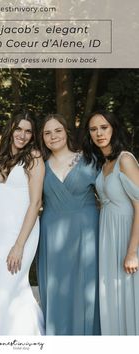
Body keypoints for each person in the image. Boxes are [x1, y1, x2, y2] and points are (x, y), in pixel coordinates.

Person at [0, 112, 45, 335]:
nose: (23, 135)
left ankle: (26, 340)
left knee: (14, 287)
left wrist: (18, 245)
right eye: (19, 129)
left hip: (20, 235)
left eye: (28, 131)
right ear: (11, 130)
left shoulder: (34, 158)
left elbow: (35, 203)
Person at [38, 114, 101, 335]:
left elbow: (108, 193)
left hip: (87, 232)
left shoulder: (89, 159)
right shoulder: (39, 166)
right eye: (47, 132)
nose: (53, 136)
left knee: (86, 285)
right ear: (42, 138)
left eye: (57, 130)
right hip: (52, 233)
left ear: (66, 132)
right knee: (56, 288)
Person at [82, 110, 139, 335]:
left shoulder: (125, 159)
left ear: (113, 128)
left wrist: (133, 252)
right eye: (93, 129)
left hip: (128, 237)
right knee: (113, 297)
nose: (99, 133)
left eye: (104, 127)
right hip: (108, 236)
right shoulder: (104, 163)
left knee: (130, 295)